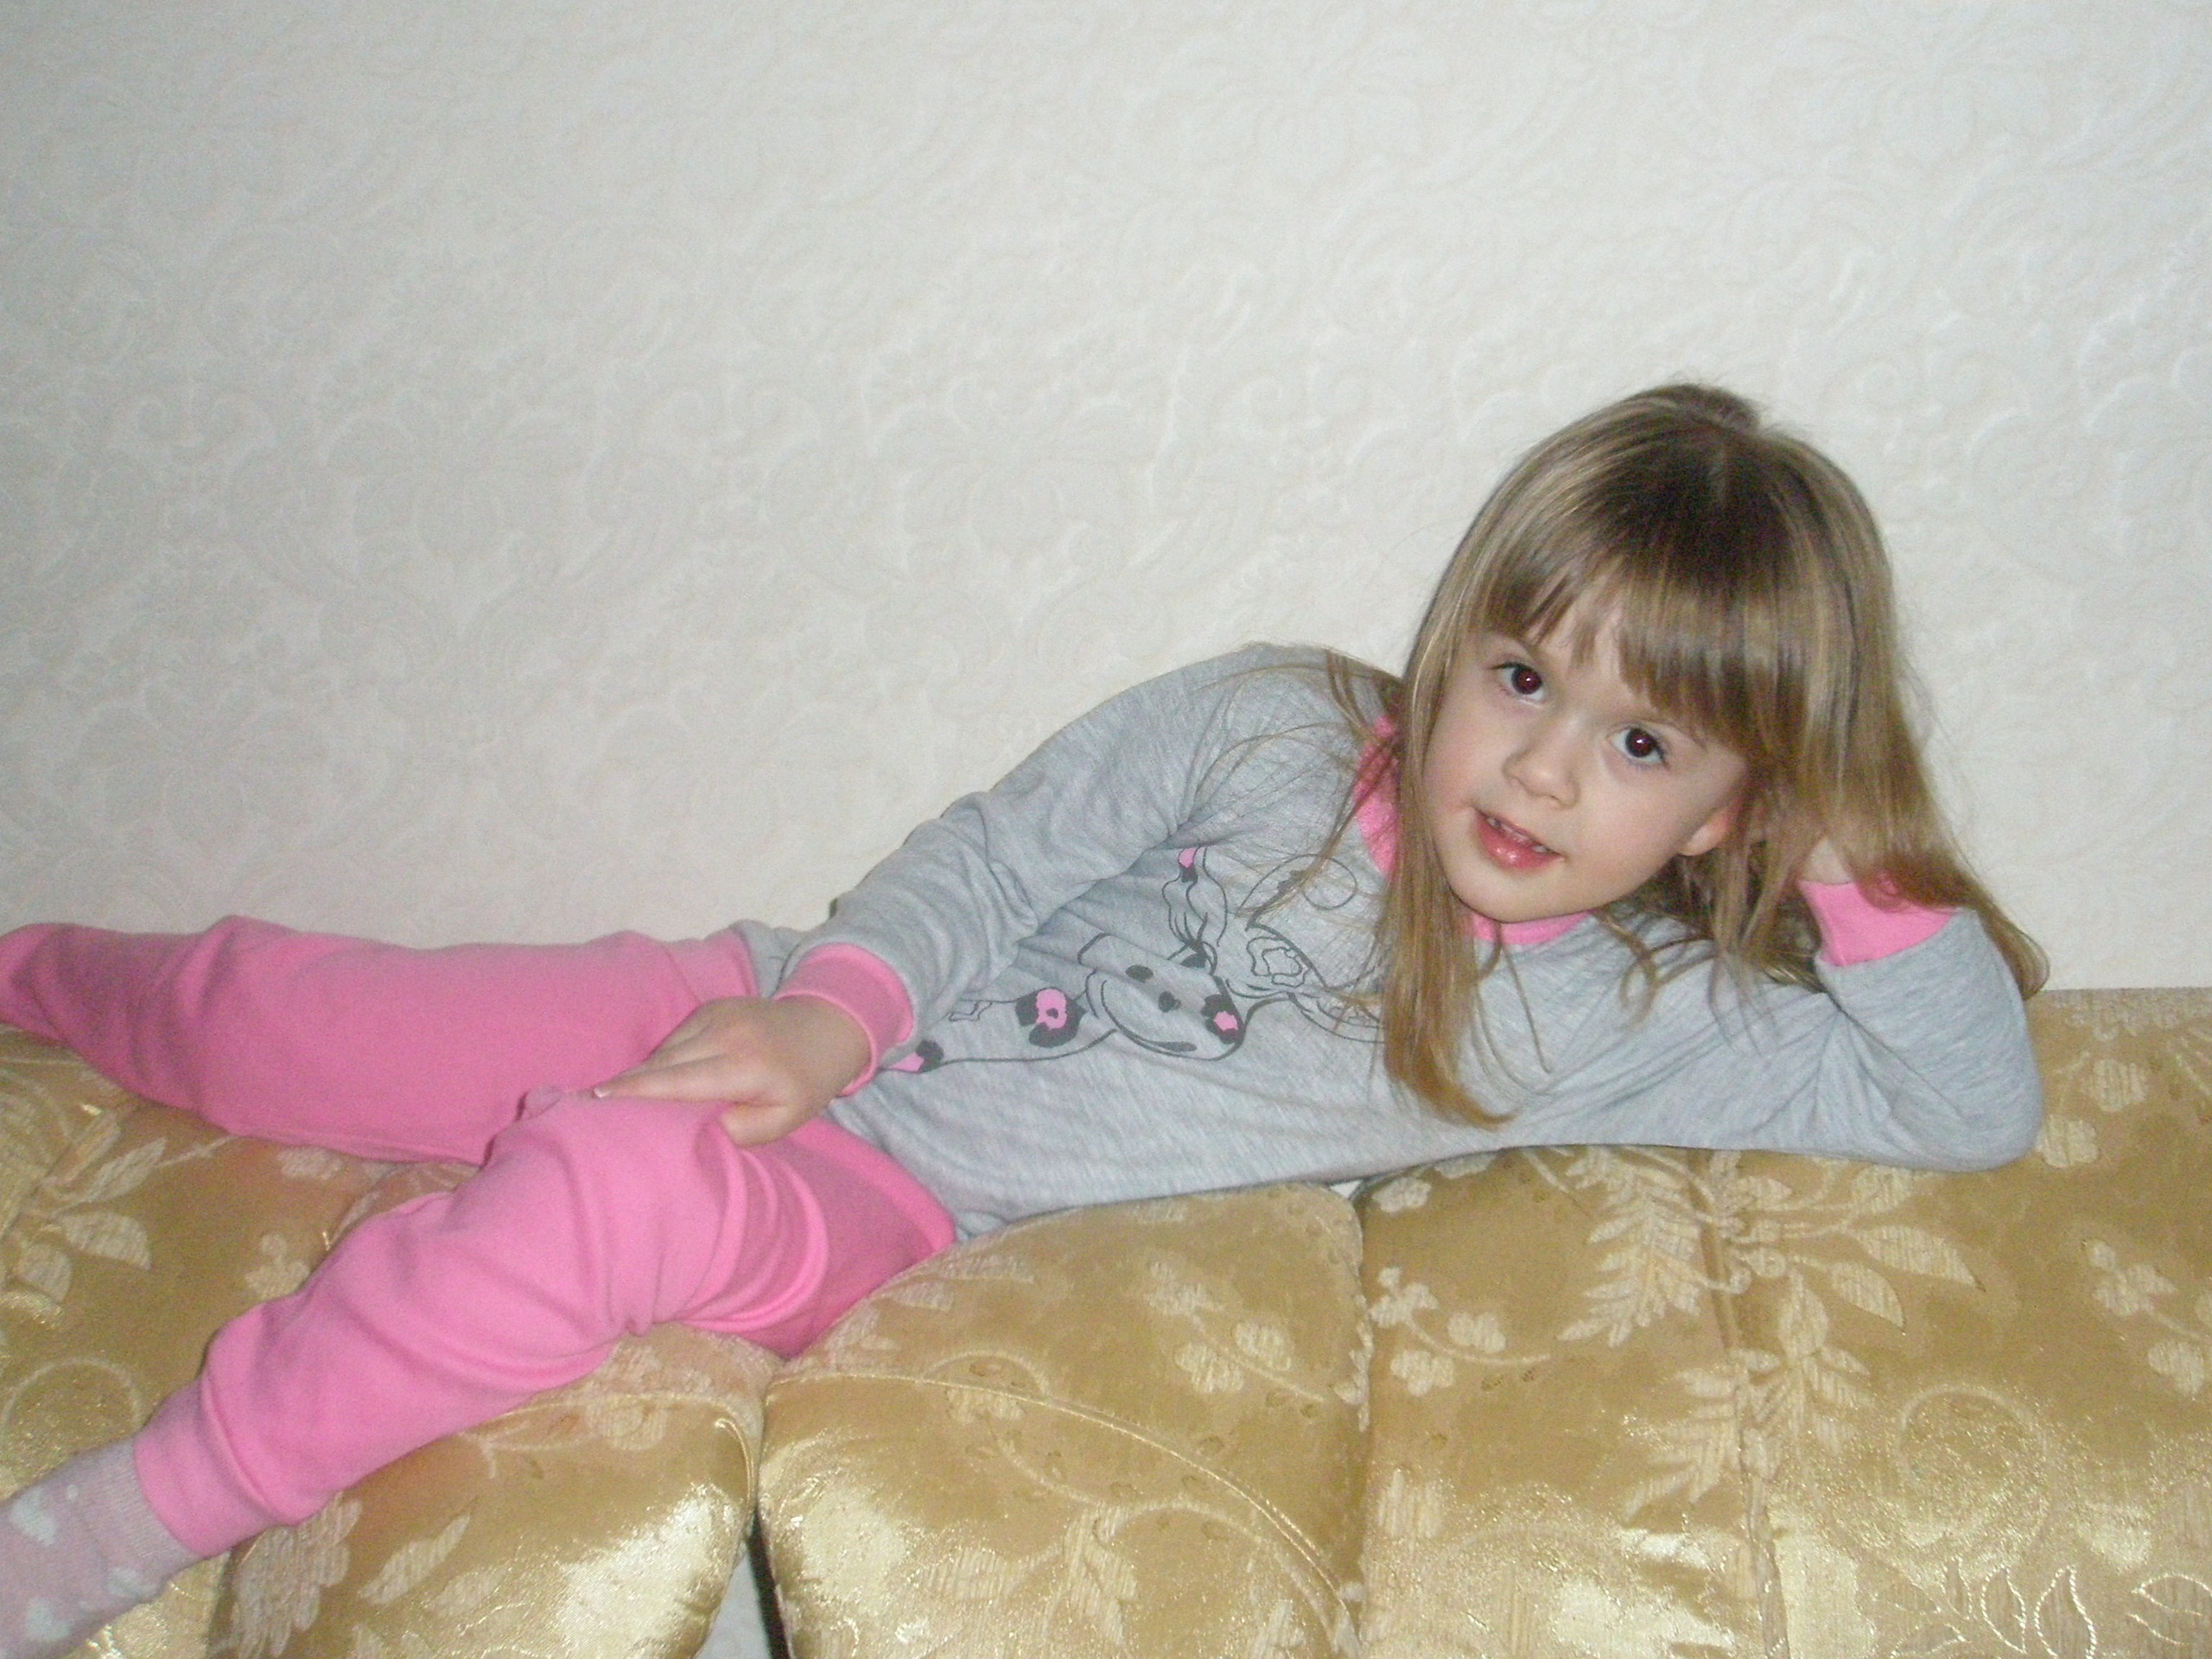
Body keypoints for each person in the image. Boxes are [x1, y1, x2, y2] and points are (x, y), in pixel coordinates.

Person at [0, 385, 2044, 1655]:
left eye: (1641, 741)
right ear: (1455, 644)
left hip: (898, 1195)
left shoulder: (1634, 1013)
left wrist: (1844, 831)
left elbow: (1963, 1101)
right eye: (1520, 677)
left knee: (602, 1189)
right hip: (760, 1004)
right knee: (262, 1018)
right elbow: (985, 861)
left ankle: (99, 1531)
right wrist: (824, 1020)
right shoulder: (1268, 723)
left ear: (1732, 804)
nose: (1537, 768)